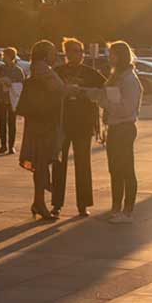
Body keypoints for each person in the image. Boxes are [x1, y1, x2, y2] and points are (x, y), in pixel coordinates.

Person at [52, 37, 107, 217]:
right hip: (62, 123)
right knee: (59, 164)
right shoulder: (57, 72)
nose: (78, 55)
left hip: (83, 123)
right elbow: (49, 91)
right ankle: (56, 203)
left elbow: (106, 88)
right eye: (73, 51)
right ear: (66, 53)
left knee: (83, 164)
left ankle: (83, 204)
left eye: (80, 51)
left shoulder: (91, 73)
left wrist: (87, 93)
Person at [19, 41, 66, 220]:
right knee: (41, 163)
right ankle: (40, 202)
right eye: (54, 52)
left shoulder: (36, 68)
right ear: (46, 54)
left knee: (40, 164)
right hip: (43, 124)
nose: (56, 55)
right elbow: (59, 89)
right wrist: (76, 89)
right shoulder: (44, 69)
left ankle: (39, 201)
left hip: (36, 122)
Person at [101, 41, 144, 223]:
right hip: (114, 127)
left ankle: (127, 211)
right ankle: (116, 207)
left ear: (121, 56)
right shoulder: (116, 77)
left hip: (124, 128)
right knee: (115, 170)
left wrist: (104, 103)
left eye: (112, 54)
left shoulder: (130, 80)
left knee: (126, 169)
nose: (109, 58)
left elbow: (126, 109)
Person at [0, 46, 23, 154]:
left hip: (12, 99)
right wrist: (0, 80)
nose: (3, 58)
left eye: (5, 55)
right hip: (1, 98)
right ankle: (3, 145)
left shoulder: (18, 70)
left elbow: (22, 84)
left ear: (11, 57)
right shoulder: (0, 68)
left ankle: (11, 146)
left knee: (12, 123)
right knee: (2, 122)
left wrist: (12, 83)